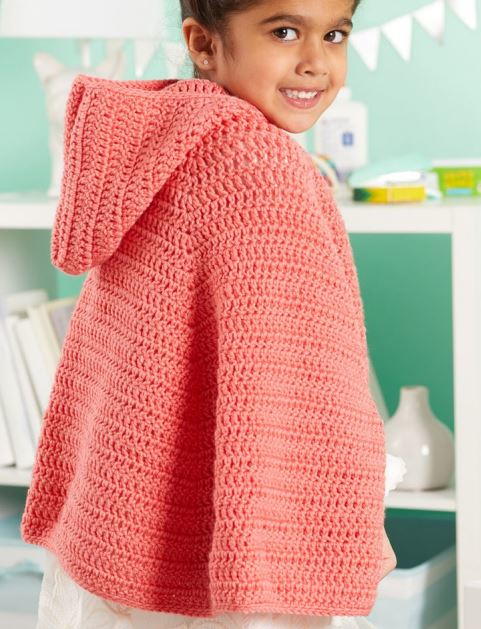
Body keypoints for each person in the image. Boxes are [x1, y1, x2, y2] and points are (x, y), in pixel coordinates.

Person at [21, 0, 406, 627]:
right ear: (202, 43)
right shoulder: (259, 167)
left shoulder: (159, 142)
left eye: (335, 34)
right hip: (236, 547)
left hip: (122, 514)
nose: (315, 62)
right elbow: (298, 384)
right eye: (285, 31)